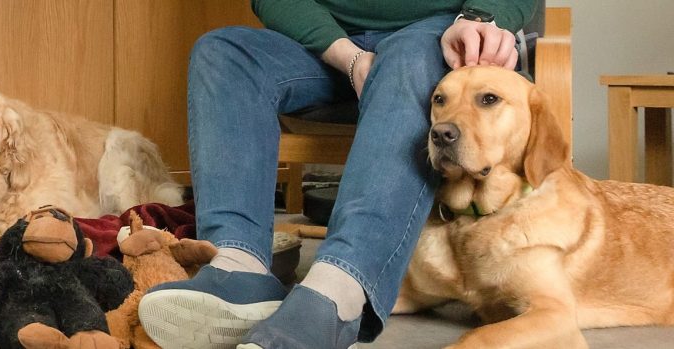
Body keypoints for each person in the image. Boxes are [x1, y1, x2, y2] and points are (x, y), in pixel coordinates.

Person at [137, 1, 537, 348]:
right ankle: (238, 265)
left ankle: (338, 293)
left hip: (440, 39)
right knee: (224, 51)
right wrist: (349, 59)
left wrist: (481, 16)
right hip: (333, 48)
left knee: (411, 51)